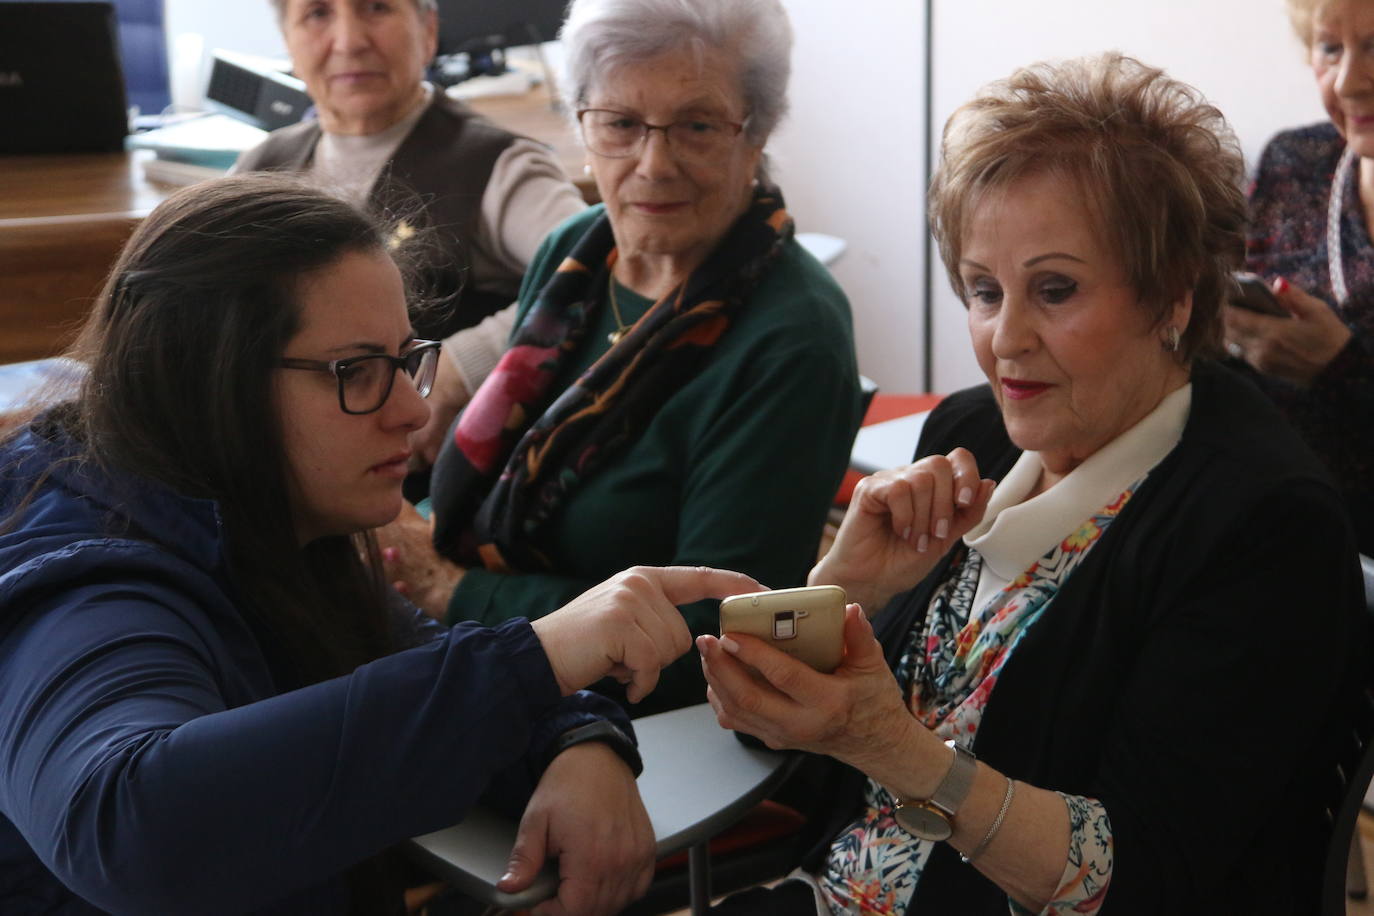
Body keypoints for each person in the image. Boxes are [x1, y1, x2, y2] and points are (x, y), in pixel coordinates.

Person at [697, 53, 1366, 914]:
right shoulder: (970, 432)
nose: (1005, 339)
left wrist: (890, 745)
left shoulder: (1262, 529)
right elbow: (762, 725)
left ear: (1173, 299)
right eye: (983, 290)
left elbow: (1140, 879)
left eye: (1054, 290)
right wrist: (840, 593)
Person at [0, 173, 760, 915]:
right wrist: (544, 656)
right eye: (356, 372)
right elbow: (124, 825)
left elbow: (424, 667)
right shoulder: (89, 585)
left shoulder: (263, 524)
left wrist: (580, 741)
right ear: (209, 381)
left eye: (405, 362)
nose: (409, 411)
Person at [384, 0, 864, 716]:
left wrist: (451, 589)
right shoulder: (579, 251)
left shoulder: (792, 339)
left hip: (618, 721)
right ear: (584, 123)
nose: (653, 163)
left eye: (697, 126)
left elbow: (720, 633)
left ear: (756, 131)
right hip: (475, 645)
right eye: (621, 124)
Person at [235, 0, 589, 467]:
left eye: (376, 8)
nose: (349, 41)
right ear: (288, 42)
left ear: (427, 31)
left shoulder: (498, 166)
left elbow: (595, 270)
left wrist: (461, 368)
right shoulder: (259, 168)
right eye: (318, 13)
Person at [1228, 0, 1374, 555]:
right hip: (1252, 532)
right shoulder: (1295, 164)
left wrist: (1344, 371)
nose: (1349, 82)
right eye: (1331, 47)